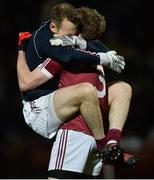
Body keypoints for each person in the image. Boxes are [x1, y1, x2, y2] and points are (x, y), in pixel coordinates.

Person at [17, 6, 137, 178]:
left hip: (77, 132)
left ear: (78, 34)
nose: (65, 38)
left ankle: (109, 144)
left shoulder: (66, 54)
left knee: (114, 89)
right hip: (86, 128)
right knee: (122, 89)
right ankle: (109, 145)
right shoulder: (97, 54)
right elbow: (26, 83)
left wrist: (21, 50)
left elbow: (26, 82)